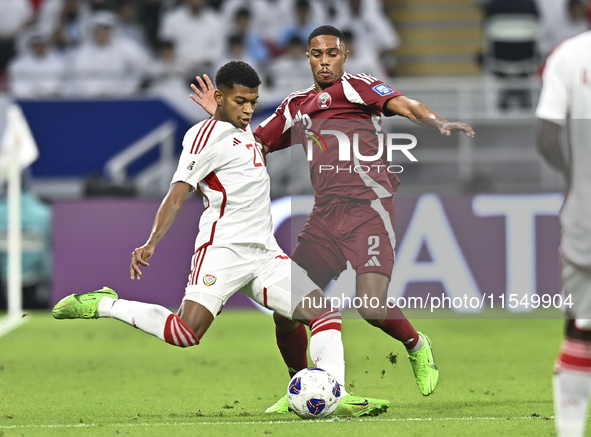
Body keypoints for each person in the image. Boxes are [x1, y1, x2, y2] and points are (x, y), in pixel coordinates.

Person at [52, 61, 389, 418]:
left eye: (252, 102)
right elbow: (177, 193)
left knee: (324, 313)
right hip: (222, 252)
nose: (247, 110)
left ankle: (335, 390)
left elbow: (243, 132)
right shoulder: (203, 136)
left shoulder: (243, 132)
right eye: (240, 101)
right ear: (220, 96)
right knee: (185, 333)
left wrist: (225, 113)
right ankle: (104, 304)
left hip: (264, 254)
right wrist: (151, 241)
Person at [190, 25, 475, 413]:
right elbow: (252, 145)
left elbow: (405, 105)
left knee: (371, 306)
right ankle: (300, 386)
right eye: (316, 54)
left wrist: (437, 121)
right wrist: (222, 119)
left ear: (344, 56)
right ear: (307, 57)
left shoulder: (358, 88)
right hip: (324, 218)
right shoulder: (296, 105)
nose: (324, 61)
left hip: (368, 212)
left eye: (332, 54)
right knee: (285, 312)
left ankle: (417, 345)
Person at [536, 31, 591, 437]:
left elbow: (547, 138)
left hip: (586, 213)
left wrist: (576, 177)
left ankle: (570, 432)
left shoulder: (570, 55)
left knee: (581, 330)